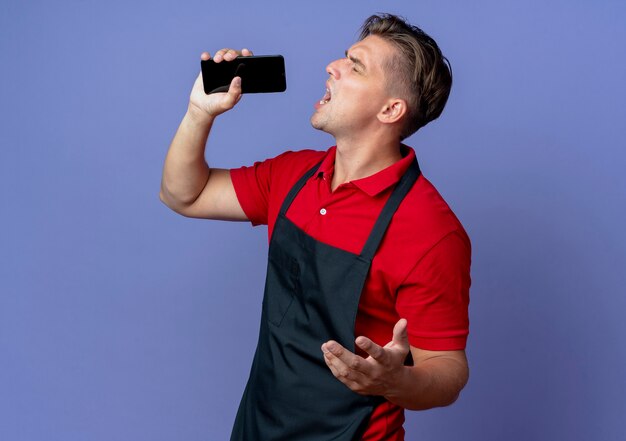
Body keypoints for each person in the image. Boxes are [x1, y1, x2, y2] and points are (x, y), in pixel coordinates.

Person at [160, 13, 471, 441]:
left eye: (355, 66)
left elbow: (449, 370)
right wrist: (199, 112)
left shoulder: (431, 230)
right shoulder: (293, 174)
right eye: (345, 57)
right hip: (258, 427)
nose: (332, 66)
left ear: (391, 109)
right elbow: (184, 195)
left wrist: (393, 382)